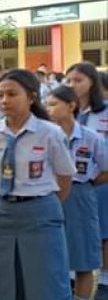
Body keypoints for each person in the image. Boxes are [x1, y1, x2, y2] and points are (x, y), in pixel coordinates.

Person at [0, 69, 75, 300]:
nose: (4, 100)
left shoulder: (50, 133)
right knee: (8, 278)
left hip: (40, 211)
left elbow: (65, 177)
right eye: (0, 95)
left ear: (31, 97)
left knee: (46, 279)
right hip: (3, 212)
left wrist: (46, 204)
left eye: (11, 94)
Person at [46, 85, 108, 299]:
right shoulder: (45, 135)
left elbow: (106, 168)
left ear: (71, 106)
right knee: (52, 256)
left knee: (83, 259)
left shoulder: (90, 137)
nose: (48, 109)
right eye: (47, 105)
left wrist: (88, 182)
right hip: (49, 196)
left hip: (80, 196)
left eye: (53, 104)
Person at [64, 61, 108, 286]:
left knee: (102, 231)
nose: (73, 85)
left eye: (79, 80)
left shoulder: (104, 112)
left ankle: (102, 280)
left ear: (93, 83)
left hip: (98, 182)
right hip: (68, 187)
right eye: (69, 80)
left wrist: (92, 181)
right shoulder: (63, 113)